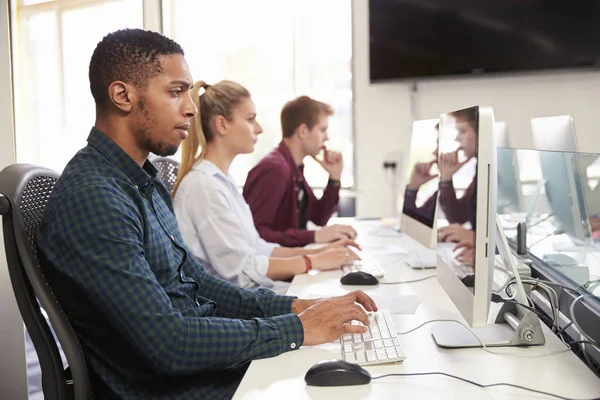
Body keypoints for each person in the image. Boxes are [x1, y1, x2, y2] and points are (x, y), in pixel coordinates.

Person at [36, 28, 376, 400]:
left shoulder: (141, 181)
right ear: (122, 96)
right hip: (171, 388)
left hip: (198, 370)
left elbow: (198, 283)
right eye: (175, 91)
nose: (192, 107)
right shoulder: (95, 197)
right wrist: (295, 329)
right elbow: (169, 344)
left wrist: (297, 307)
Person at [172, 80, 359, 294]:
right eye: (251, 119)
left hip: (250, 292)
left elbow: (257, 247)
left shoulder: (221, 180)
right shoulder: (203, 186)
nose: (259, 129)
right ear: (222, 125)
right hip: (232, 305)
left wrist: (322, 253)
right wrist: (311, 261)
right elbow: (241, 270)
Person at [242, 95, 356, 247]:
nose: (326, 138)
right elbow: (257, 235)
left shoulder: (293, 168)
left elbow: (318, 218)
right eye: (322, 130)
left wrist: (334, 178)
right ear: (302, 131)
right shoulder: (275, 169)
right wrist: (315, 236)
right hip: (276, 266)